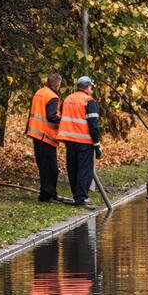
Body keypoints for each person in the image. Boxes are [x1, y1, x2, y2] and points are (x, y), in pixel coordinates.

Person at [58, 76, 102, 206]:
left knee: (72, 167)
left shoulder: (67, 99)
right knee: (85, 169)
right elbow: (94, 125)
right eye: (91, 87)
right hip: (84, 140)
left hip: (69, 140)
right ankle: (80, 197)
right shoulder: (89, 101)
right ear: (88, 87)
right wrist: (97, 145)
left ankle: (76, 194)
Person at [26, 73, 64, 202]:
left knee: (43, 167)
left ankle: (46, 194)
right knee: (51, 168)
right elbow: (51, 116)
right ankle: (49, 194)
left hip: (36, 134)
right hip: (46, 135)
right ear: (57, 84)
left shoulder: (39, 92)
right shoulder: (52, 97)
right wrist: (65, 121)